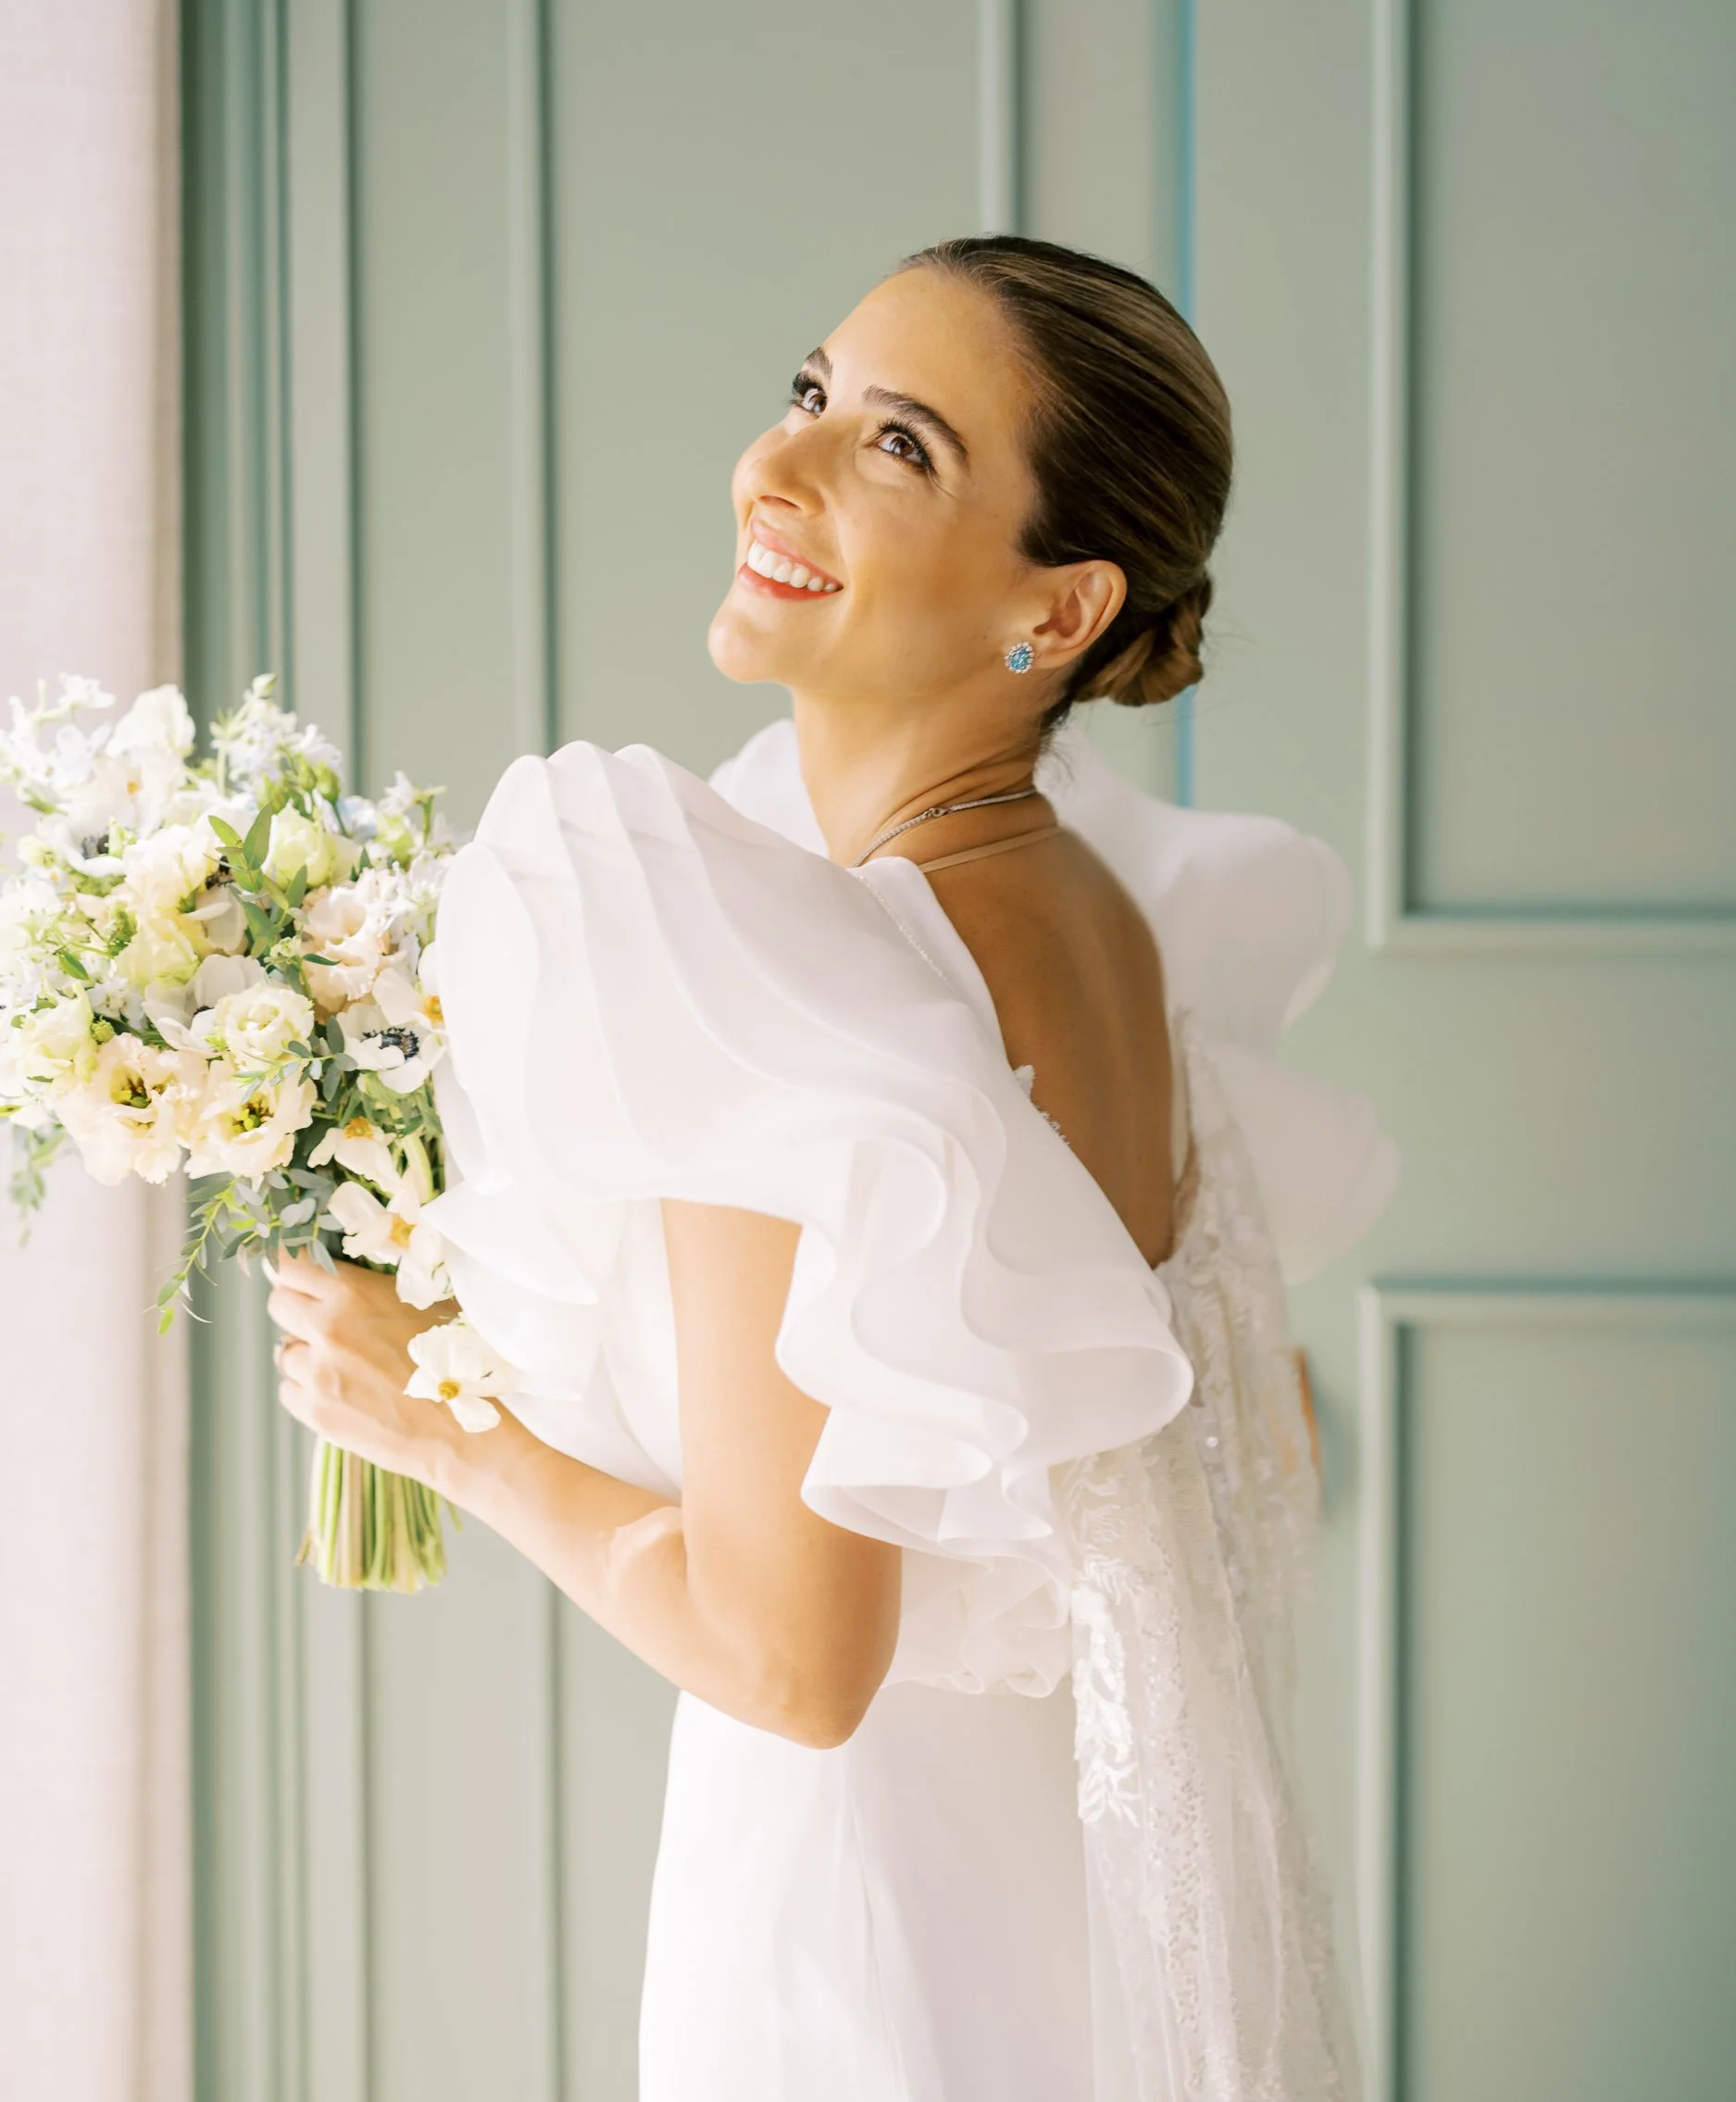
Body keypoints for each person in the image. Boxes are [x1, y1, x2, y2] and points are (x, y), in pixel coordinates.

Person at [267, 235, 1398, 2100]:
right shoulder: (1094, 906)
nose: (777, 470)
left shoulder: (784, 972)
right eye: (811, 393)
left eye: (901, 447)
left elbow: (793, 1660)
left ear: (1057, 605)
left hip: (858, 1945)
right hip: (1064, 1904)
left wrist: (439, 1429)